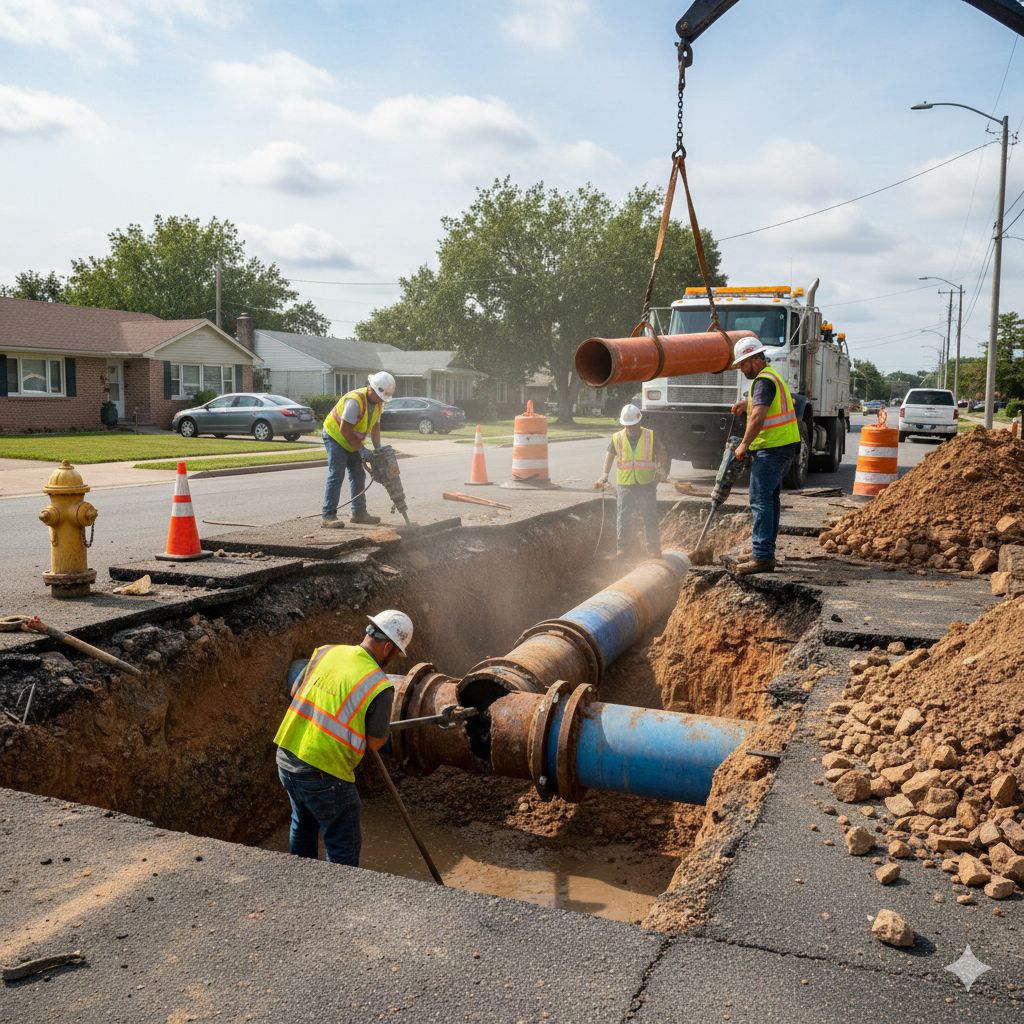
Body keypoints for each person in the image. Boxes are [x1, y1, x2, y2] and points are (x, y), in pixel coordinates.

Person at [273, 609, 414, 866]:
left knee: (303, 825)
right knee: (343, 846)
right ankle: (340, 901)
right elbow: (374, 743)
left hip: (286, 756)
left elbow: (296, 691)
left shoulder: (327, 651)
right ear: (388, 648)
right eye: (395, 653)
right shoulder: (379, 685)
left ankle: (302, 887)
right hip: (324, 774)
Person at [728, 336, 801, 575]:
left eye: (742, 365)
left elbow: (759, 417)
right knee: (771, 499)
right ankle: (764, 548)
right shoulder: (771, 376)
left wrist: (744, 445)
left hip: (772, 448)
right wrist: (746, 402)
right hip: (784, 446)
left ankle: (762, 557)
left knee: (760, 500)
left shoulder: (762, 381)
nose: (741, 369)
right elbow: (766, 403)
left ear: (754, 360)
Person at [321, 371, 396, 528]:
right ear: (371, 388)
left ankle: (358, 513)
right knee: (337, 474)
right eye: (378, 396)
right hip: (336, 436)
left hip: (352, 441)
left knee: (358, 474)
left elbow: (375, 426)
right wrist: (361, 450)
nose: (380, 400)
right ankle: (328, 516)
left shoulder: (378, 403)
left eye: (382, 398)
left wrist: (377, 448)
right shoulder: (355, 401)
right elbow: (344, 429)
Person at [595, 403, 669, 559]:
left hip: (646, 483)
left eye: (633, 426)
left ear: (639, 422)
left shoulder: (650, 435)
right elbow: (609, 456)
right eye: (627, 426)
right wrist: (604, 474)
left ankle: (654, 550)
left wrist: (660, 469)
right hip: (625, 484)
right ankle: (622, 549)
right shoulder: (617, 438)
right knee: (623, 515)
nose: (631, 429)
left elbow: (661, 451)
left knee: (649, 515)